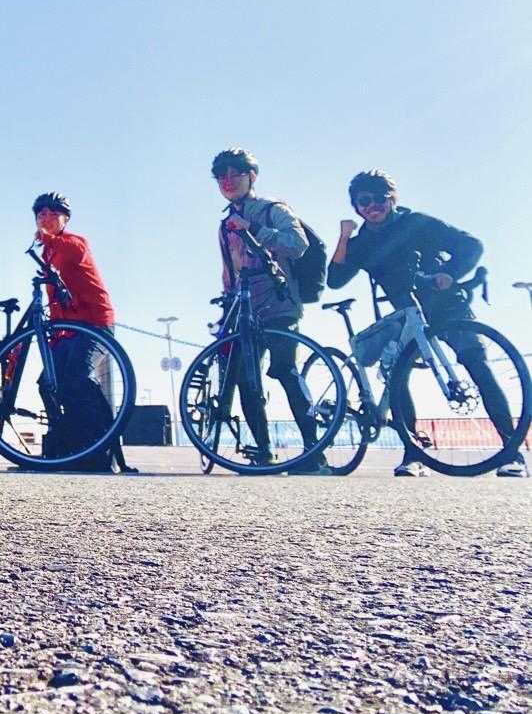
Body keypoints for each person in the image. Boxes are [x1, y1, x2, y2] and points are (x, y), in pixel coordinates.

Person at [328, 169, 527, 478]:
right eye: (364, 201)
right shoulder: (362, 242)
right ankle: (414, 455)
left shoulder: (417, 223)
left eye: (380, 198)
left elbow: (471, 245)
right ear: (355, 206)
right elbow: (335, 279)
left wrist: (450, 272)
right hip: (407, 314)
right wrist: (344, 237)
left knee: (476, 364)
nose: (372, 206)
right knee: (398, 379)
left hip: (447, 305)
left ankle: (512, 453)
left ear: (392, 199)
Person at [211, 148, 327, 473]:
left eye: (235, 173)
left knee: (285, 370)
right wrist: (227, 305)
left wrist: (253, 228)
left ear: (252, 176)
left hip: (279, 302)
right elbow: (230, 271)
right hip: (243, 308)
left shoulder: (272, 209)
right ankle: (264, 452)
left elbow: (298, 244)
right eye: (221, 176)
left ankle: (314, 453)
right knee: (245, 378)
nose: (228, 180)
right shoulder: (225, 225)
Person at [32, 192, 136, 474]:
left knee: (76, 378)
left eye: (53, 213)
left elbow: (72, 253)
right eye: (41, 214)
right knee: (47, 383)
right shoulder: (48, 252)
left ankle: (99, 448)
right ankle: (66, 443)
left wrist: (47, 238)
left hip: (93, 323)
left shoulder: (73, 242)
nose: (46, 218)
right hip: (66, 330)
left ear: (65, 219)